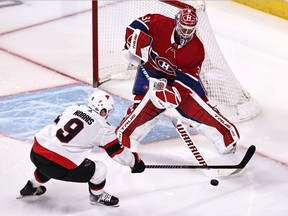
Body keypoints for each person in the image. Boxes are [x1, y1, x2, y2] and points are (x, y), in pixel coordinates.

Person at [116, 8, 240, 154]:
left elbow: (188, 79)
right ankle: (124, 140)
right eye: (183, 28)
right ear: (176, 22)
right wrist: (132, 42)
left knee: (197, 108)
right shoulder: (158, 22)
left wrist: (174, 94)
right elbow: (134, 27)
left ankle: (226, 139)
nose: (186, 33)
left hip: (177, 79)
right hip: (150, 72)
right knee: (143, 109)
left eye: (190, 30)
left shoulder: (197, 49)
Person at [18, 89, 145, 207]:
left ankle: (32, 186)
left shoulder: (72, 109)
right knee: (99, 169)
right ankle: (97, 196)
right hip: (58, 167)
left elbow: (58, 123)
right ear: (104, 111)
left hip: (36, 153)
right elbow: (119, 153)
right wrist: (135, 163)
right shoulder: (104, 128)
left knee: (53, 154)